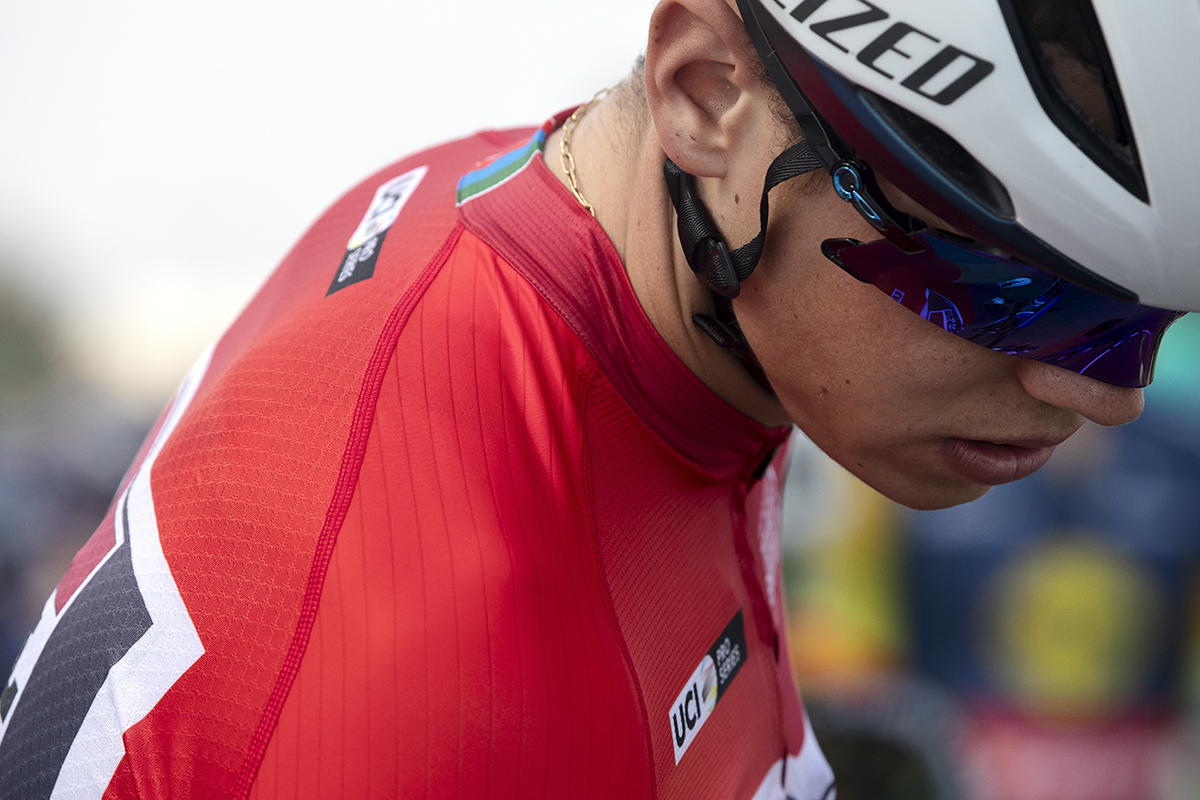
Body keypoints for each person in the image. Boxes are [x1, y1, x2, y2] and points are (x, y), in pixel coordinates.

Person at [0, 0, 1193, 797]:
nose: (1109, 395)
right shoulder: (444, 679)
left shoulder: (621, 248)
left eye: (1144, 322)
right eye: (1004, 293)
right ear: (707, 93)